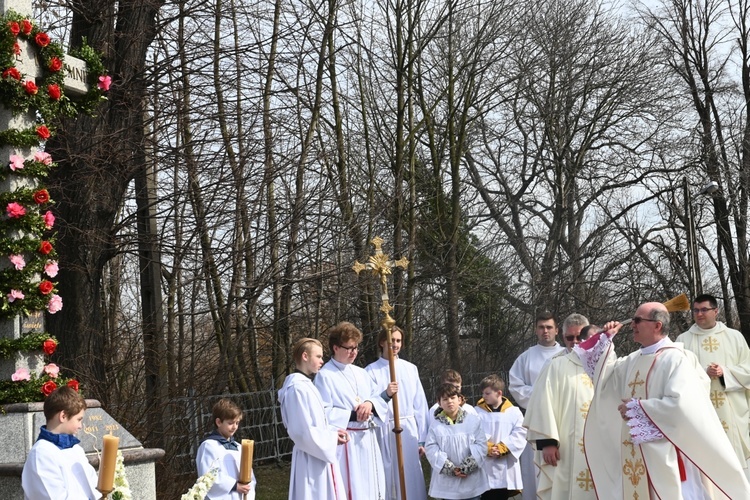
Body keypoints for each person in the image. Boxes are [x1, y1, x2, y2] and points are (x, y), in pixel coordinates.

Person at [575, 302, 750, 499]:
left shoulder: (676, 359)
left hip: (667, 455)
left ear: (657, 326)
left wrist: (638, 408)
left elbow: (684, 406)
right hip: (636, 453)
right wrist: (605, 340)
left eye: (638, 320)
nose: (632, 324)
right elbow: (604, 379)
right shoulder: (633, 359)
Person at [675, 293, 750, 480]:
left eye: (704, 310)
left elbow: (748, 368)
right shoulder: (683, 341)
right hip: (700, 410)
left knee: (734, 462)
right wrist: (702, 373)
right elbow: (676, 375)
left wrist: (725, 372)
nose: (699, 314)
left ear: (715, 311)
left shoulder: (734, 337)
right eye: (696, 310)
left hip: (731, 408)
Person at [523, 314, 595, 500]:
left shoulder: (600, 361)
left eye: (580, 337)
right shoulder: (555, 364)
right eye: (569, 338)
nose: (575, 342)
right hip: (565, 446)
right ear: (563, 337)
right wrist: (547, 442)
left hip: (597, 444)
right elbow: (542, 403)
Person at [314, 322, 390, 500]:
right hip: (346, 441)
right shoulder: (325, 376)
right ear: (335, 347)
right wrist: (354, 414)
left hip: (368, 438)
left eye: (356, 347)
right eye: (349, 348)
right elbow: (323, 411)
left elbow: (377, 397)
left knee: (372, 487)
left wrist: (370, 404)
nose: (354, 352)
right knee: (352, 489)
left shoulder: (360, 372)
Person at [278, 337, 347, 500]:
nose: (322, 361)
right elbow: (301, 432)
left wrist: (333, 432)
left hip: (319, 454)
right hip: (310, 458)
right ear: (305, 356)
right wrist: (331, 438)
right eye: (318, 356)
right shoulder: (296, 389)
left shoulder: (307, 385)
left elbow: (317, 423)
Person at [366, 325, 429, 500]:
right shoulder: (370, 371)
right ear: (381, 342)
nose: (395, 344)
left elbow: (420, 405)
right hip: (384, 429)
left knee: (410, 474)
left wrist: (422, 439)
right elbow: (369, 402)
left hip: (408, 430)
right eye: (391, 340)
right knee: (388, 475)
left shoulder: (410, 368)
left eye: (398, 340)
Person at [508, 311, 565, 500]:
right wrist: (543, 396)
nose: (545, 331)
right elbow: (516, 387)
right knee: (535, 473)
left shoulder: (567, 355)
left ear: (557, 330)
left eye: (549, 327)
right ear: (536, 330)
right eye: (541, 327)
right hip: (535, 424)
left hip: (563, 420)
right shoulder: (526, 358)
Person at [21, 385, 99, 500]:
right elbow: (51, 496)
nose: (80, 426)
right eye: (79, 419)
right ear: (63, 416)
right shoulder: (41, 454)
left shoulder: (75, 448)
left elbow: (92, 485)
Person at [425, 383, 489, 500]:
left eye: (453, 398)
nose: (449, 401)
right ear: (439, 403)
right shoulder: (435, 426)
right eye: (445, 399)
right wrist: (450, 468)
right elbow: (431, 449)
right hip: (448, 485)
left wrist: (467, 467)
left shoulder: (473, 421)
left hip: (471, 483)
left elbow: (481, 445)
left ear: (459, 400)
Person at [474, 374, 526, 500]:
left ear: (499, 393)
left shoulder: (514, 412)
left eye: (487, 393)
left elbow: (521, 432)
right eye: (483, 393)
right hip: (485, 463)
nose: (484, 396)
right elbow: (472, 433)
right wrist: (488, 448)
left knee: (501, 495)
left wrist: (503, 447)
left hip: (505, 464)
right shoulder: (476, 412)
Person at [195, 398, 256, 499]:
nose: (234, 427)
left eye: (237, 423)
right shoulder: (209, 446)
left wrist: (248, 490)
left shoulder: (239, 447)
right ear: (219, 422)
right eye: (230, 423)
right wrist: (234, 486)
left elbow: (250, 477)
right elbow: (208, 477)